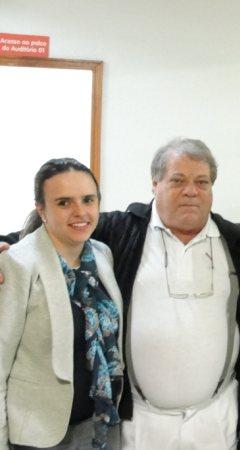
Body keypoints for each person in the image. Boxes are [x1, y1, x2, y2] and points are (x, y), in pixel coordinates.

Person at [0, 139, 240, 450]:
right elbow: (57, 232)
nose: (191, 191)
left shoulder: (237, 243)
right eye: (178, 180)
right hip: (139, 422)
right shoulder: (122, 230)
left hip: (216, 418)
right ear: (155, 183)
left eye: (202, 182)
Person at [0, 158, 123, 450]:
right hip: (38, 436)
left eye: (88, 200)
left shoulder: (102, 255)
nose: (80, 212)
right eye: (64, 202)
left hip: (98, 426)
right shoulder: (16, 265)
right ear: (41, 209)